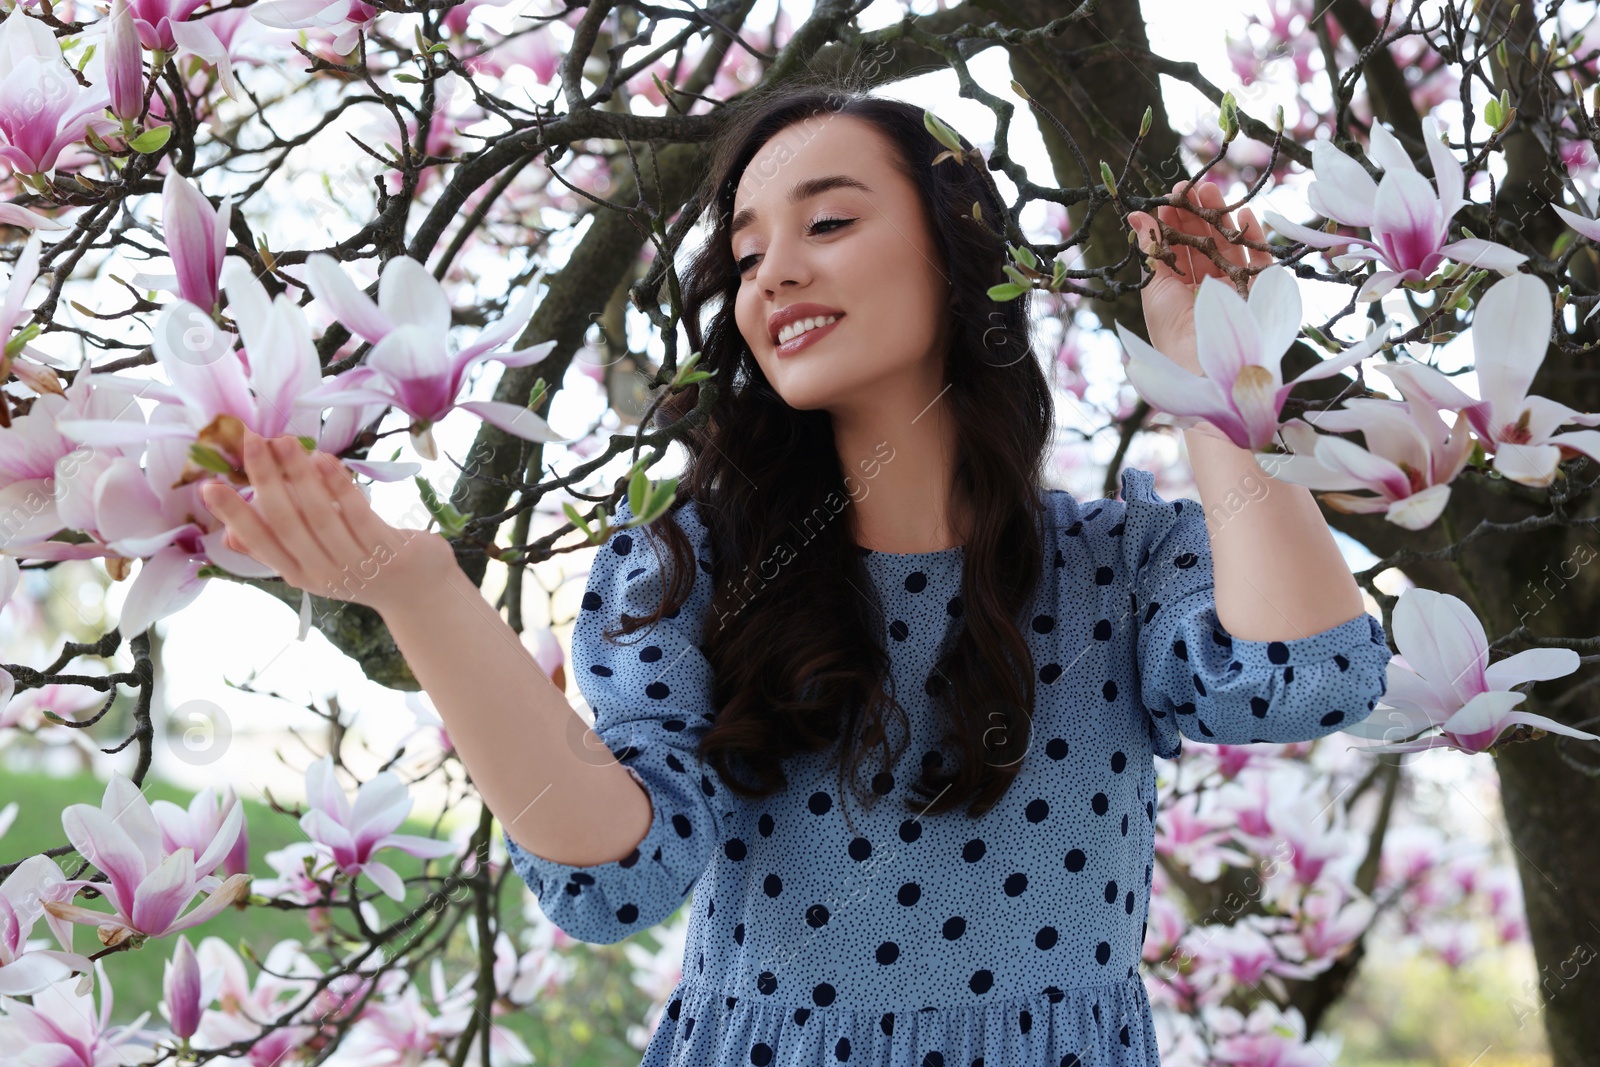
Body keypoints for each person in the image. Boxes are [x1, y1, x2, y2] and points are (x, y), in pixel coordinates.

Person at [200, 81, 1393, 1067]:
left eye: (826, 223)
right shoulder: (683, 573)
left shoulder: (1122, 562)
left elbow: (1306, 677)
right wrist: (420, 589)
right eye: (746, 246)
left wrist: (1213, 372)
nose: (771, 273)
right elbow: (614, 876)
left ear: (957, 252)